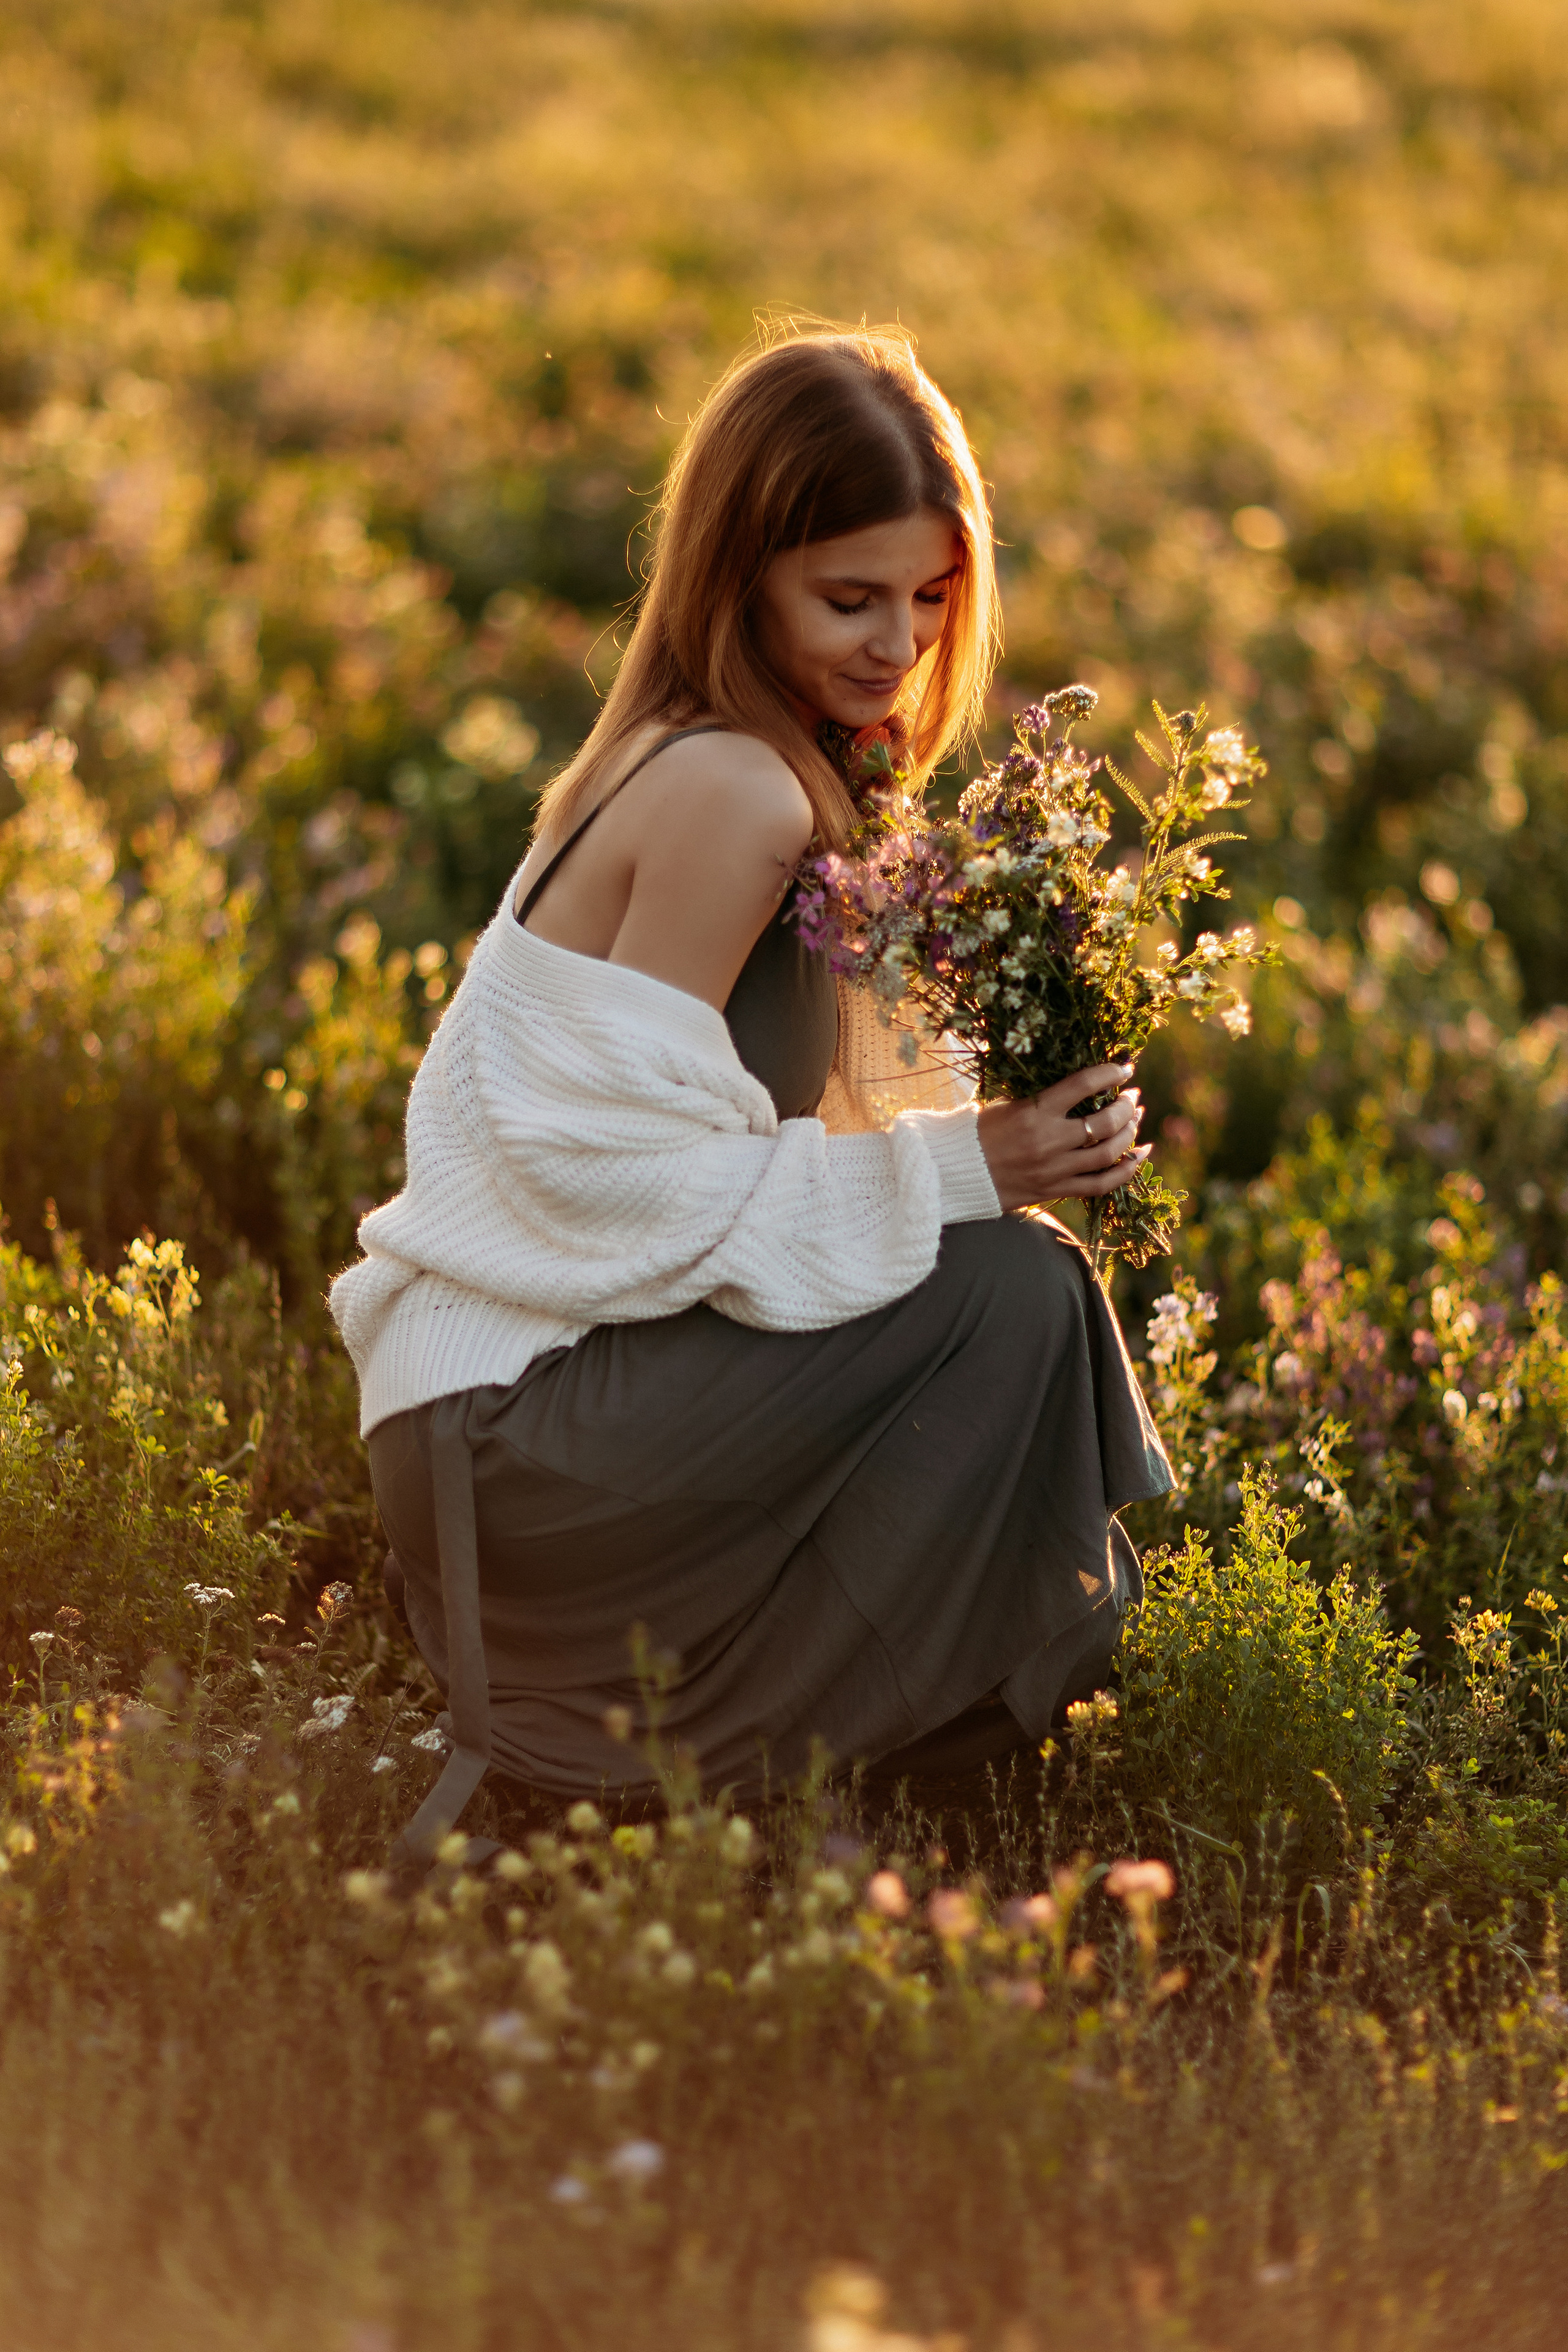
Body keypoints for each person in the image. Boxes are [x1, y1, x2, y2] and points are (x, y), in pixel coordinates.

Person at [330, 324, 1171, 1865]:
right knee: (1007, 1288)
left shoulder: (714, 754)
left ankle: (810, 1748)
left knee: (997, 1278)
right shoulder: (735, 790)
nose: (896, 645)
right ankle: (810, 1756)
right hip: (517, 1440)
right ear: (736, 576)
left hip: (496, 1428)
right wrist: (969, 1163)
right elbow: (610, 1190)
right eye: (845, 597)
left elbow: (723, 1163)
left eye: (929, 598)